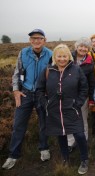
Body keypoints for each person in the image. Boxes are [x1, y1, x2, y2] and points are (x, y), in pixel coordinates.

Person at [2, 29, 51, 170]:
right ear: (30, 40)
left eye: (39, 38)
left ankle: (44, 148)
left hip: (42, 94)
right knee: (19, 125)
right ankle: (13, 155)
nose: (36, 41)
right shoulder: (23, 53)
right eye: (33, 38)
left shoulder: (50, 54)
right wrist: (16, 90)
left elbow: (53, 75)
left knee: (44, 123)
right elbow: (17, 73)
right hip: (25, 93)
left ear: (44, 40)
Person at [36, 44, 89, 174]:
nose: (62, 59)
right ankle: (65, 158)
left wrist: (78, 103)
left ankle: (84, 159)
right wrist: (45, 103)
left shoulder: (76, 69)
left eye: (65, 56)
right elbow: (39, 90)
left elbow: (84, 88)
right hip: (54, 110)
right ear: (55, 57)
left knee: (80, 135)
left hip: (72, 109)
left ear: (69, 56)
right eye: (59, 56)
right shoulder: (48, 70)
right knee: (61, 135)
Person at [68, 38, 95, 152]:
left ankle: (83, 140)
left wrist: (91, 100)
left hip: (83, 95)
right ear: (76, 47)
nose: (83, 48)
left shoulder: (90, 62)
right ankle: (70, 142)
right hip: (68, 95)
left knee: (83, 119)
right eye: (81, 46)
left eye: (86, 47)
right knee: (69, 118)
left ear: (88, 49)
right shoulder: (68, 57)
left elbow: (92, 82)